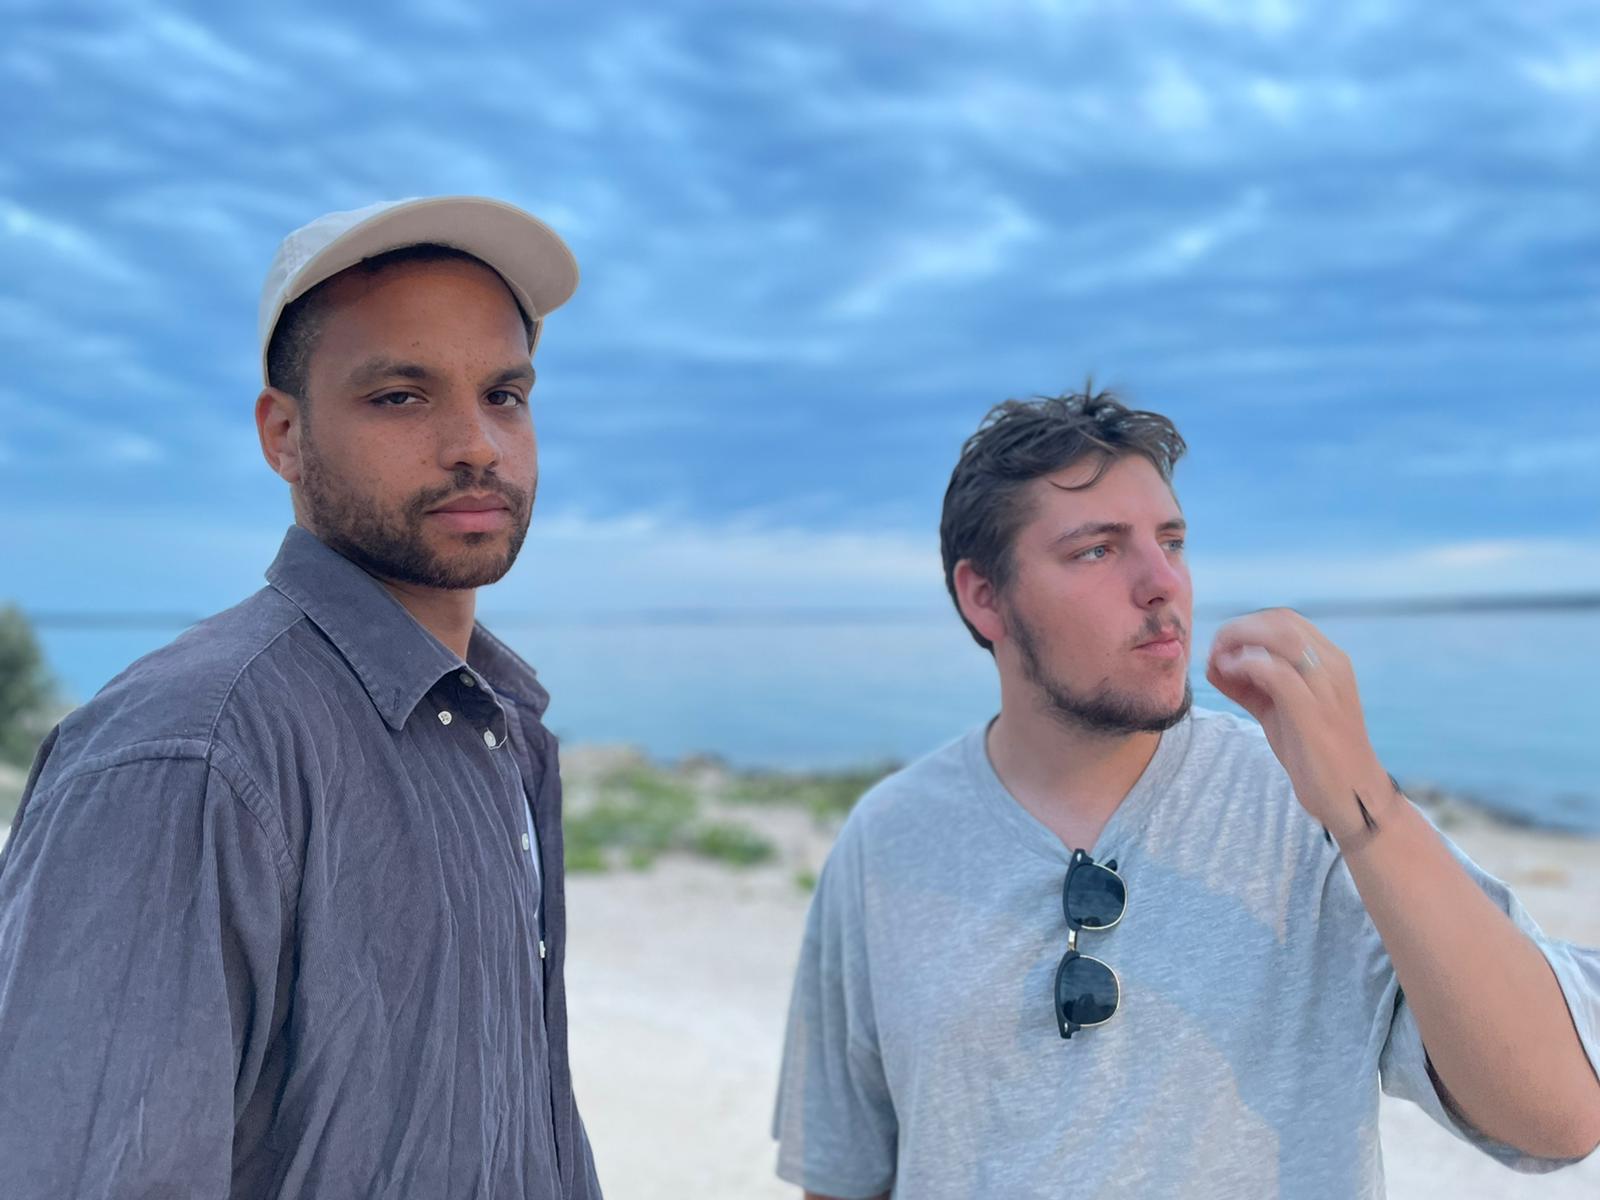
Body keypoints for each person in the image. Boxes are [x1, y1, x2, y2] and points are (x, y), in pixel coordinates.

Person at [772, 389, 1600, 1199]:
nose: (1162, 581)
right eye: (1097, 551)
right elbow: (844, 1172)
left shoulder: (1307, 802)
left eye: (1171, 541)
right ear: (984, 596)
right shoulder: (889, 837)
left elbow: (1559, 1117)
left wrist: (1366, 809)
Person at [0, 197, 603, 1198]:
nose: (476, 444)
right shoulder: (192, 751)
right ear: (283, 434)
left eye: (504, 394)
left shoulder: (500, 728)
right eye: (400, 396)